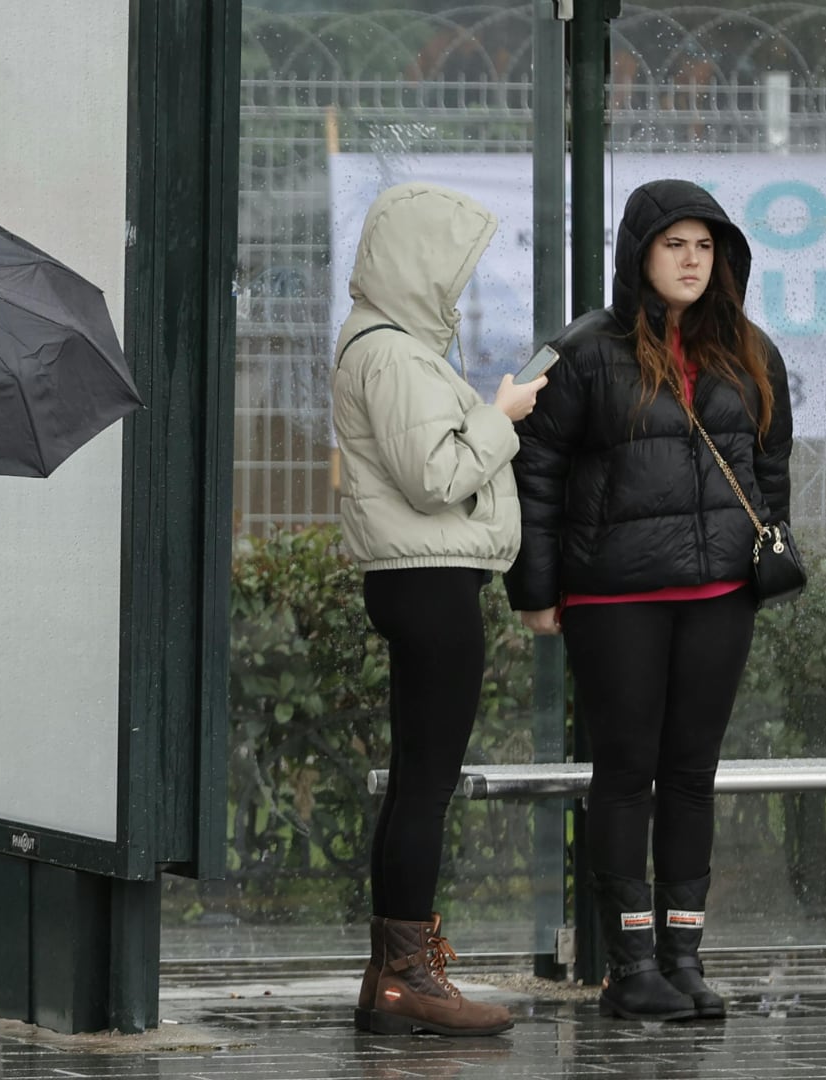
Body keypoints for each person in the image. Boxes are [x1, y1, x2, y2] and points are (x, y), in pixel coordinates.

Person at [505, 179, 793, 1022]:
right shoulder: (585, 351)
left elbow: (769, 464)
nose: (692, 261)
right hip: (615, 597)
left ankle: (683, 957)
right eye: (676, 245)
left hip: (720, 595)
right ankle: (628, 965)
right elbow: (537, 472)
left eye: (705, 247)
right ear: (640, 254)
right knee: (626, 774)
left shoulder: (752, 350)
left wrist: (766, 551)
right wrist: (536, 589)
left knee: (693, 776)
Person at [333, 182, 545, 1037]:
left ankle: (392, 979)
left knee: (418, 780)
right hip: (430, 579)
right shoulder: (390, 353)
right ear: (417, 264)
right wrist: (502, 415)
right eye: (451, 269)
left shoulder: (387, 348)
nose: (459, 288)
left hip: (422, 577)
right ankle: (412, 978)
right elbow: (437, 476)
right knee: (428, 783)